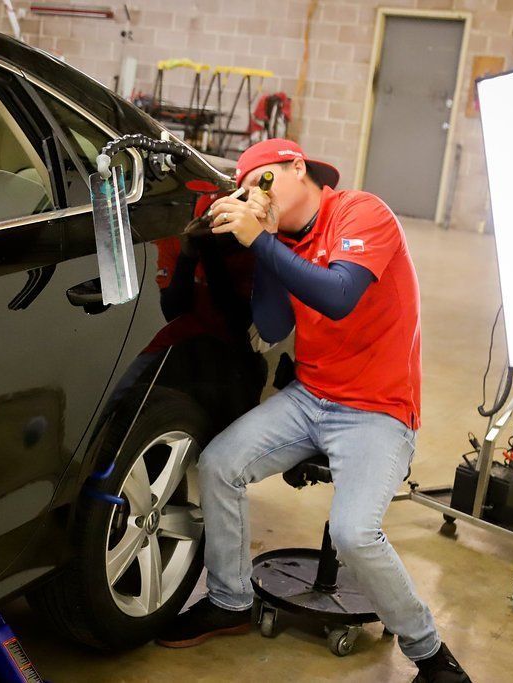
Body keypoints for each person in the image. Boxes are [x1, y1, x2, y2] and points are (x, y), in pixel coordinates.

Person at [155, 139, 471, 683]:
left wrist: (262, 241)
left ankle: (429, 654)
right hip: (311, 397)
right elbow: (274, 326)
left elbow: (339, 295)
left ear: (299, 167)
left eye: (265, 181)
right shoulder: (278, 241)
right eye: (247, 190)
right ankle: (229, 601)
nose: (258, 195)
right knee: (219, 465)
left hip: (377, 410)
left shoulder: (361, 212)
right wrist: (263, 247)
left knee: (354, 534)